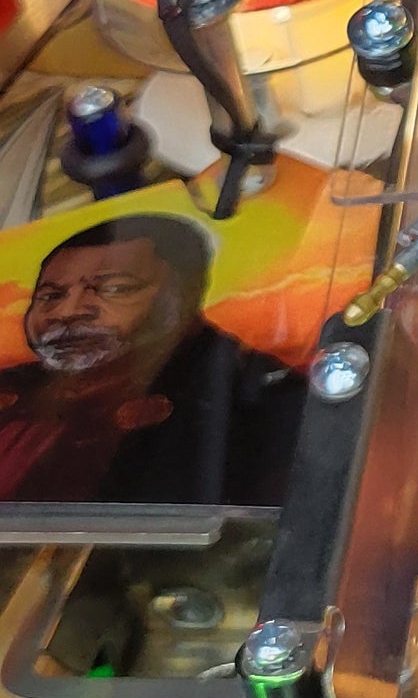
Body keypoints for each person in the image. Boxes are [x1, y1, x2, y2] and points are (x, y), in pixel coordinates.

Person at [0, 213, 304, 511]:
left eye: (115, 289)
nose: (67, 312)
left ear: (185, 295)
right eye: (51, 296)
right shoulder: (14, 389)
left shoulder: (252, 397)